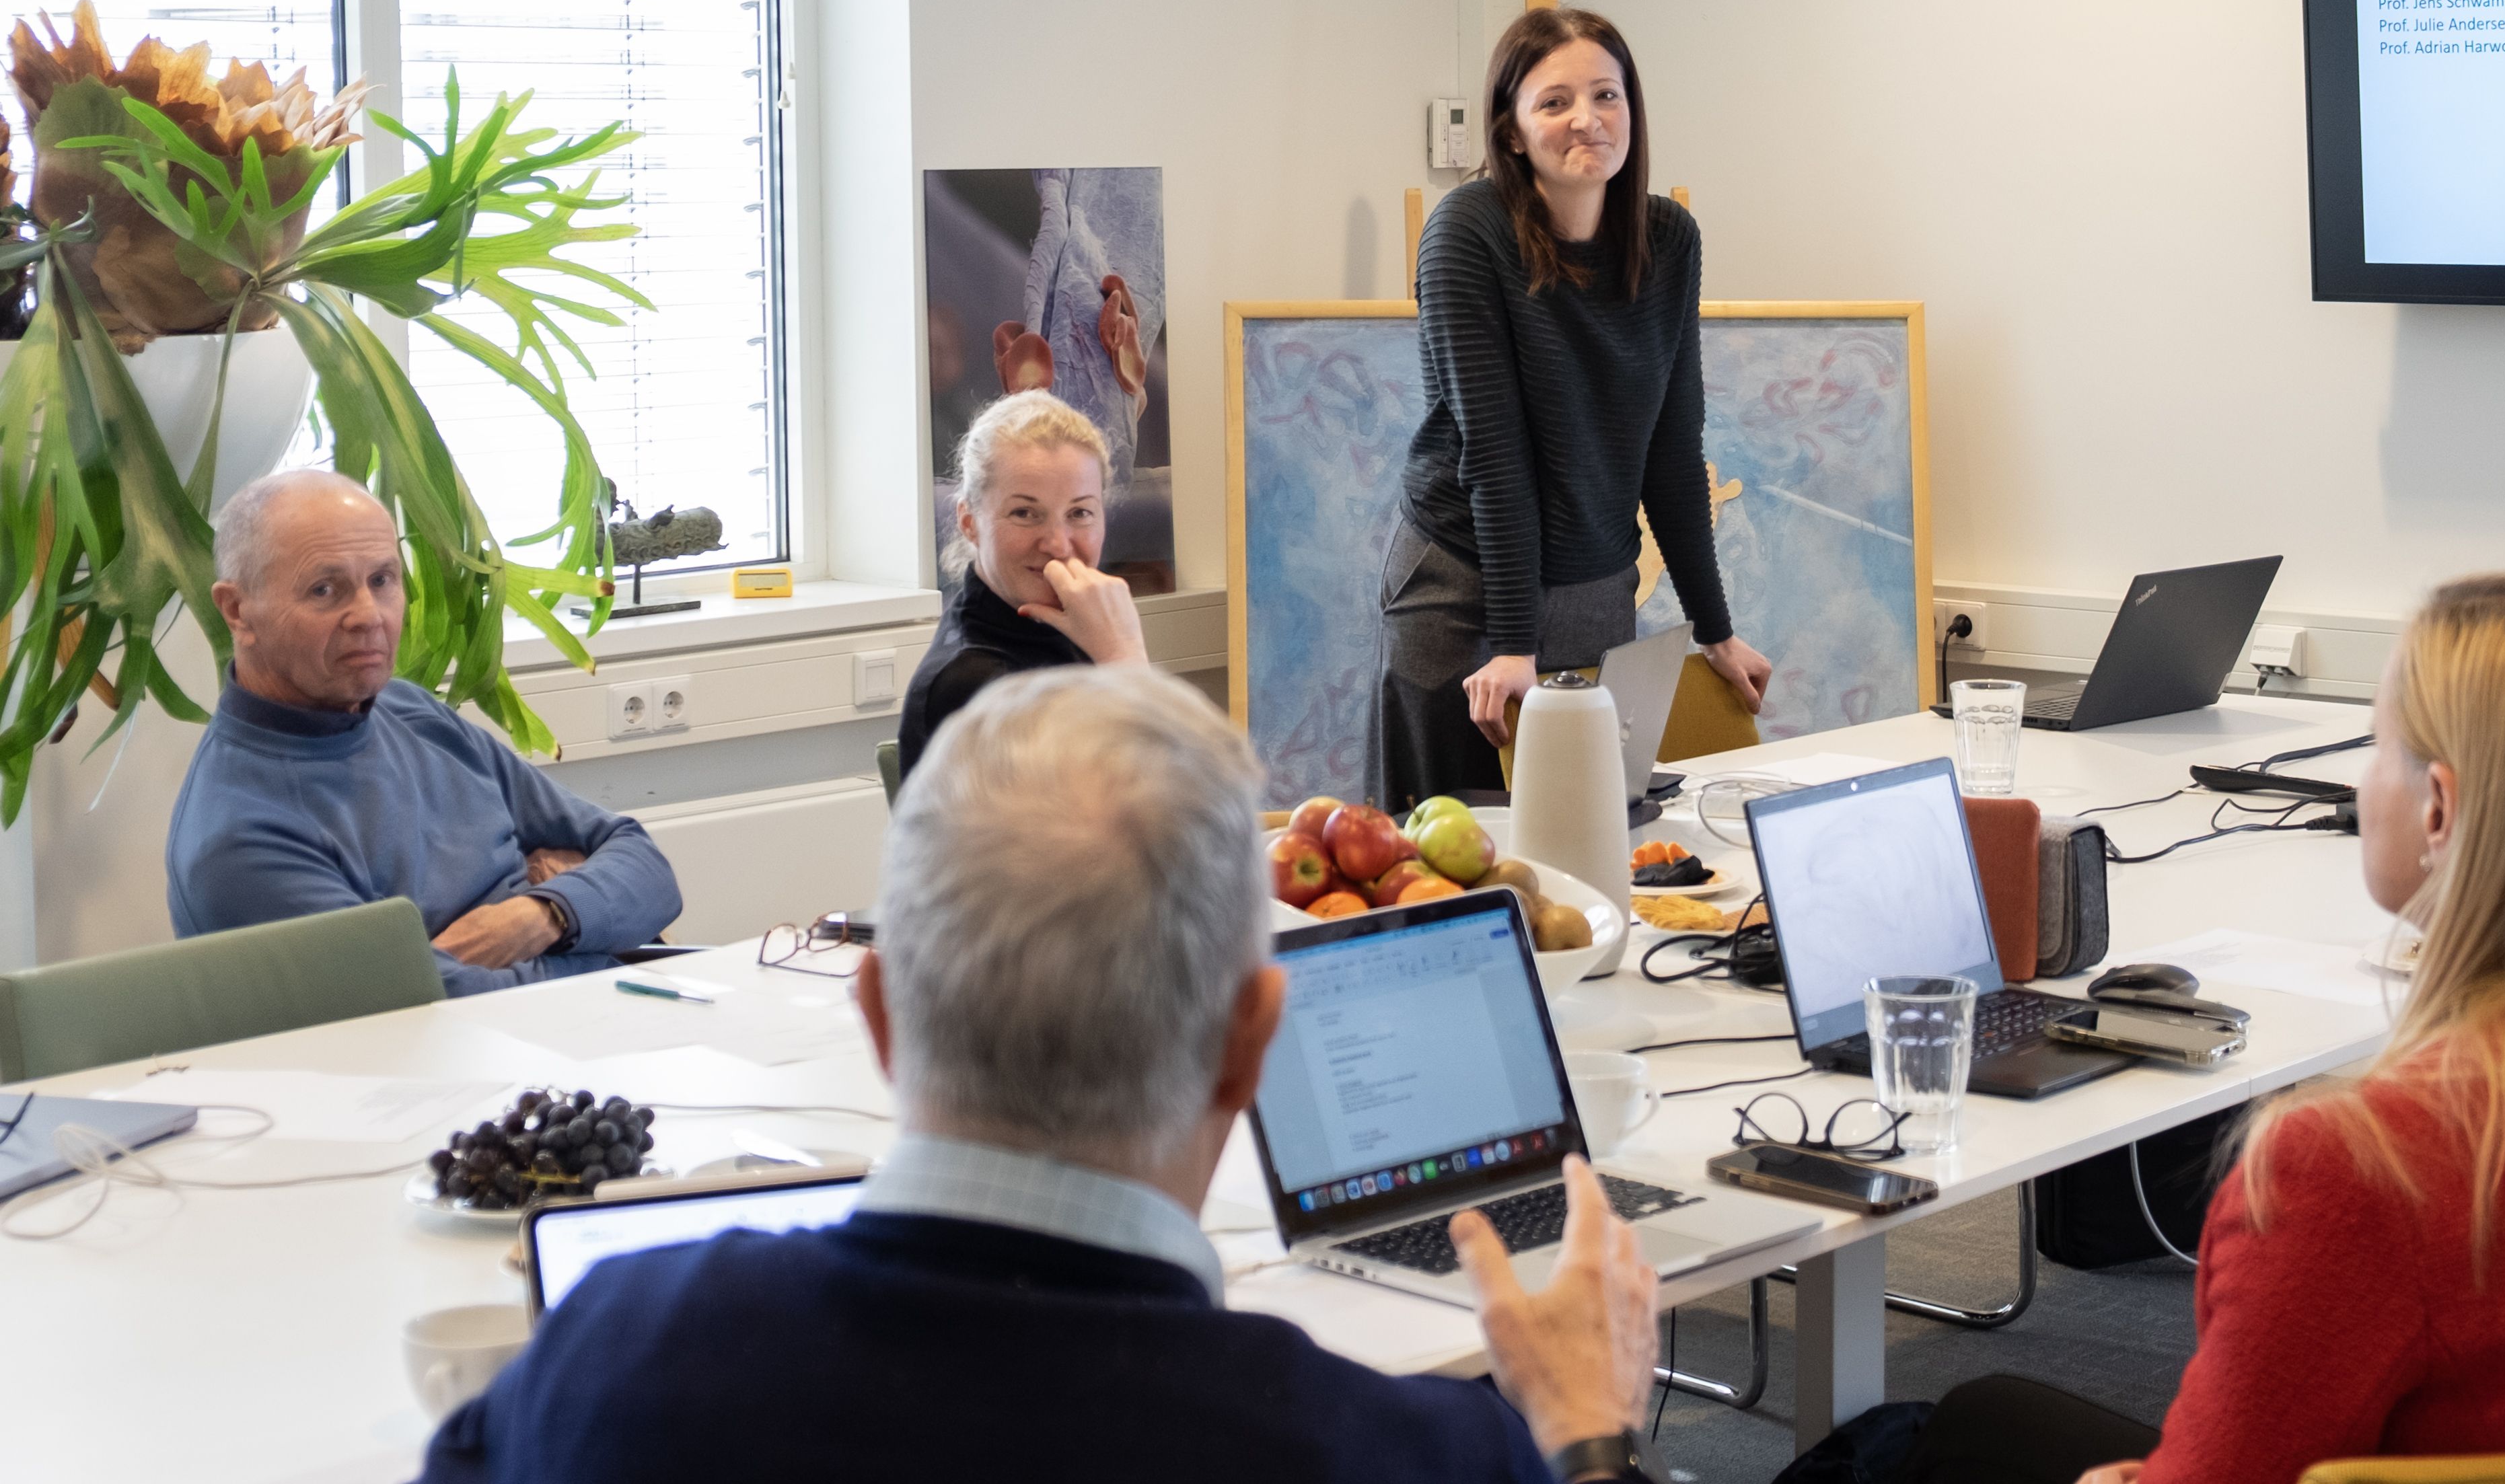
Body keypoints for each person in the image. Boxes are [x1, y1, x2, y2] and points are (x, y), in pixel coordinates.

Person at [423, 668, 1665, 1483]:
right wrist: (1586, 1437)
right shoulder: (1404, 1452)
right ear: (1253, 1041)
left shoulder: (612, 1355)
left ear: (880, 1013)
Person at [1891, 576, 2505, 1484]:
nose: (2362, 781)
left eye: (2378, 747)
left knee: (1958, 1432)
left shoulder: (2357, 1169)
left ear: (2440, 810)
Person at [1373, 5, 1772, 807]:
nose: (1586, 119)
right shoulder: (1466, 233)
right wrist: (1514, 644)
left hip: (1594, 582)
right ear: (1513, 132)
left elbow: (1671, 450)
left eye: (1606, 95)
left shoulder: (1670, 241)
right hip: (1465, 581)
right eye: (1554, 102)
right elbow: (1496, 456)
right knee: (1450, 840)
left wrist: (1715, 629)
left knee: (1589, 829)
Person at [164, 471, 680, 997]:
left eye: (382, 580)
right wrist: (595, 921)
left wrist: (543, 915)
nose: (368, 616)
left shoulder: (408, 710)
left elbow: (646, 866)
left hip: (605, 1010)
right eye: (324, 590)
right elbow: (442, 1008)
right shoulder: (241, 836)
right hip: (514, 1036)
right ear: (237, 611)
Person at [897, 387, 1147, 778]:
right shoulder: (974, 682)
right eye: (1025, 513)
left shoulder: (1074, 628)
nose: (1058, 544)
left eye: (1080, 513)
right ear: (969, 523)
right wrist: (1125, 660)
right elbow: (1155, 801)